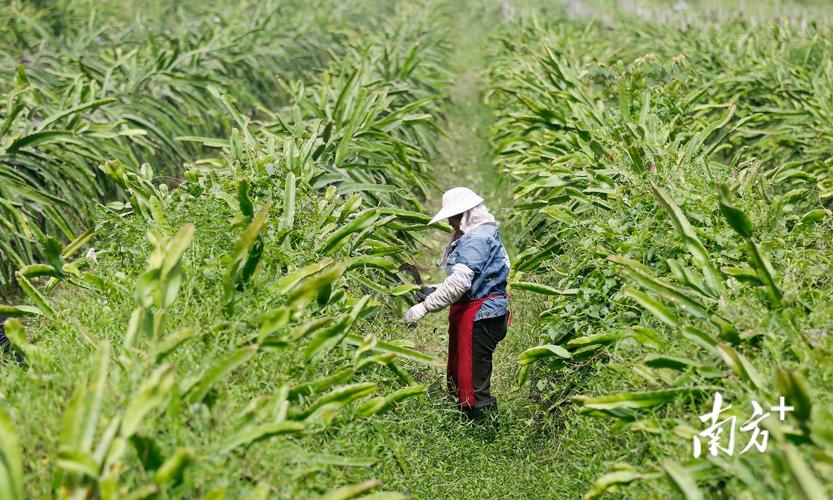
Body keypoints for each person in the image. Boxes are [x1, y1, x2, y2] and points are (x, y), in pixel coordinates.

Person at [403, 187, 511, 421]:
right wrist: (435, 289)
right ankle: (470, 423)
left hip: (481, 316)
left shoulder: (476, 239)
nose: (451, 223)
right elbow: (474, 277)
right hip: (488, 312)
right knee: (470, 372)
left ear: (466, 215)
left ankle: (485, 434)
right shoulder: (484, 232)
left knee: (474, 377)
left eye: (453, 217)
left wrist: (424, 307)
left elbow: (460, 283)